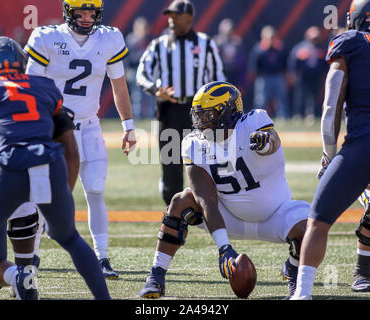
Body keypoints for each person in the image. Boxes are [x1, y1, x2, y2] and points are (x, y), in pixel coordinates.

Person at [138, 81, 308, 299]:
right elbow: (205, 198)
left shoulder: (254, 122)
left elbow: (273, 139)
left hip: (275, 216)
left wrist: (265, 142)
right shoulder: (193, 143)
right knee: (181, 201)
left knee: (310, 225)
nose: (201, 123)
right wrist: (224, 247)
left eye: (208, 115)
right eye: (198, 116)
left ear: (228, 112)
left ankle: (294, 271)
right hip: (227, 217)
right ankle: (156, 275)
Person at [23, 0, 136, 278]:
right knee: (44, 193)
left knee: (96, 189)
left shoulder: (109, 38)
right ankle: (31, 257)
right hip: (56, 127)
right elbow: (29, 87)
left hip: (89, 125)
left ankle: (103, 257)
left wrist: (129, 125)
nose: (86, 19)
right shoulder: (47, 38)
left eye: (91, 13)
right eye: (80, 13)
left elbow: (118, 85)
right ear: (67, 12)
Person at [0, 36, 110, 300]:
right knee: (69, 238)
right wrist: (64, 194)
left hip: (10, 167)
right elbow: (70, 148)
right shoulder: (45, 87)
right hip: (51, 164)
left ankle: (16, 275)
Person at [291, 0, 370, 299]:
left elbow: (330, 107)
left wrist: (328, 153)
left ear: (356, 19)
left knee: (318, 220)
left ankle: (303, 293)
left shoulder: (348, 43)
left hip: (362, 145)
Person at [136, 0, 225, 206]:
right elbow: (142, 74)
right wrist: (156, 90)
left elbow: (218, 77)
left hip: (200, 111)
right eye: (170, 16)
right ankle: (173, 211)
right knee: (171, 162)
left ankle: (210, 207)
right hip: (169, 109)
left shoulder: (205, 43)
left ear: (190, 18)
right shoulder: (159, 44)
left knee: (206, 161)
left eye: (177, 16)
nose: (171, 20)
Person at [248, 25, 289, 119]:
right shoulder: (259, 49)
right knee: (261, 100)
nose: (271, 39)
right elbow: (254, 66)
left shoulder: (280, 48)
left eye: (273, 36)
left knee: (281, 99)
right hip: (264, 77)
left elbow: (285, 63)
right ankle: (258, 118)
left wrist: (286, 76)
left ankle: (283, 118)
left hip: (278, 77)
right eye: (269, 37)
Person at [287, 26, 327, 120]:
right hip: (303, 77)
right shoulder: (301, 47)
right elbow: (293, 62)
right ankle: (298, 115)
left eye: (316, 37)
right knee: (300, 97)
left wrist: (325, 76)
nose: (314, 39)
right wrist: (292, 74)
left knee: (315, 98)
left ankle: (313, 115)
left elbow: (325, 64)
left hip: (316, 77)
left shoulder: (321, 48)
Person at [125, 17, 154, 119]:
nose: (144, 30)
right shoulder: (131, 40)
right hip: (134, 71)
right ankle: (137, 117)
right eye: (142, 28)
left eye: (146, 28)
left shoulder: (150, 40)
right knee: (136, 96)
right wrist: (126, 71)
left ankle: (151, 116)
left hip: (148, 72)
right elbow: (126, 58)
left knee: (150, 94)